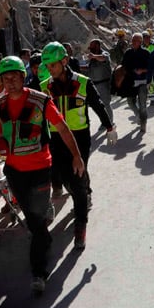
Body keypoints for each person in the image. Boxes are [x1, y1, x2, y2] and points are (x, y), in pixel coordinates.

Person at [0, 56, 85, 295]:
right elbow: (0, 136)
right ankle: (44, 238)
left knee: (35, 223)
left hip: (39, 170)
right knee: (33, 219)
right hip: (14, 172)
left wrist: (76, 156)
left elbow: (63, 128)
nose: (10, 82)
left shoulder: (41, 101)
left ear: (23, 76)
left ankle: (38, 273)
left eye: (14, 77)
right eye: (5, 78)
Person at [40, 42, 116, 247]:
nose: (50, 70)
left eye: (53, 65)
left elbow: (98, 105)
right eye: (47, 67)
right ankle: (83, 192)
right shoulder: (44, 87)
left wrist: (110, 127)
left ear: (64, 61)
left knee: (78, 175)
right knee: (66, 178)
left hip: (80, 137)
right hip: (56, 138)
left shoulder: (83, 83)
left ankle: (80, 225)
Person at [122, 32, 150, 133]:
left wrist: (142, 70)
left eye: (135, 40)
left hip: (142, 81)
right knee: (130, 102)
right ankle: (138, 115)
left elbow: (150, 67)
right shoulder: (128, 53)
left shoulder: (146, 53)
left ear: (140, 42)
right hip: (130, 82)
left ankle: (143, 124)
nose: (133, 42)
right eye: (132, 40)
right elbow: (124, 65)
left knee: (142, 104)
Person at [86, 39, 114, 125]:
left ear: (97, 46)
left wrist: (93, 56)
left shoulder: (104, 54)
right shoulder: (93, 58)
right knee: (98, 105)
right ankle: (104, 122)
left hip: (103, 84)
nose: (90, 49)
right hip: (95, 84)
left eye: (92, 47)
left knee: (106, 104)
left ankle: (110, 123)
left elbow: (103, 58)